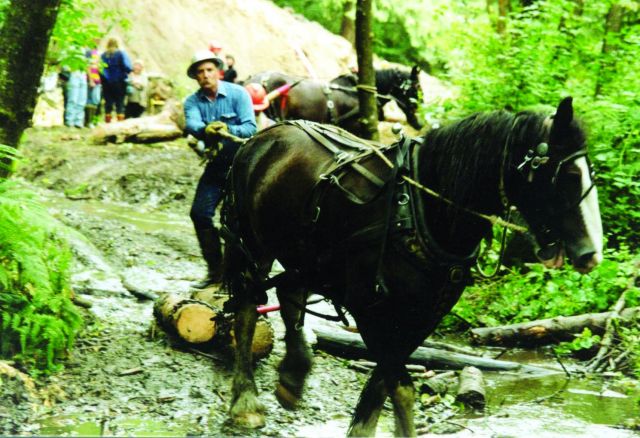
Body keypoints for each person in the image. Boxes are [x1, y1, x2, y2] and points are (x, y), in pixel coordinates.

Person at [184, 50, 256, 289]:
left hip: (244, 166)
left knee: (237, 222)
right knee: (199, 214)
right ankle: (215, 272)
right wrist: (206, 130)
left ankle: (239, 274)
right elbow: (192, 124)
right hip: (216, 166)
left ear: (218, 72)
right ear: (195, 77)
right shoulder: (192, 102)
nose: (205, 75)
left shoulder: (239, 94)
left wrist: (226, 129)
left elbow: (250, 128)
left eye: (209, 70)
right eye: (200, 72)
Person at [100, 37, 132, 122]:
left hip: (106, 83)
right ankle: (119, 123)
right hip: (119, 81)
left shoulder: (104, 55)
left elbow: (101, 69)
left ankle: (107, 122)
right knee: (120, 103)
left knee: (108, 103)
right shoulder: (121, 54)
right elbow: (127, 67)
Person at [85, 45, 102, 128]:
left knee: (96, 100)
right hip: (90, 80)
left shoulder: (98, 53)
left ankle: (93, 120)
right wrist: (91, 80)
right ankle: (88, 121)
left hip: (97, 80)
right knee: (89, 100)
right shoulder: (89, 52)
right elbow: (88, 67)